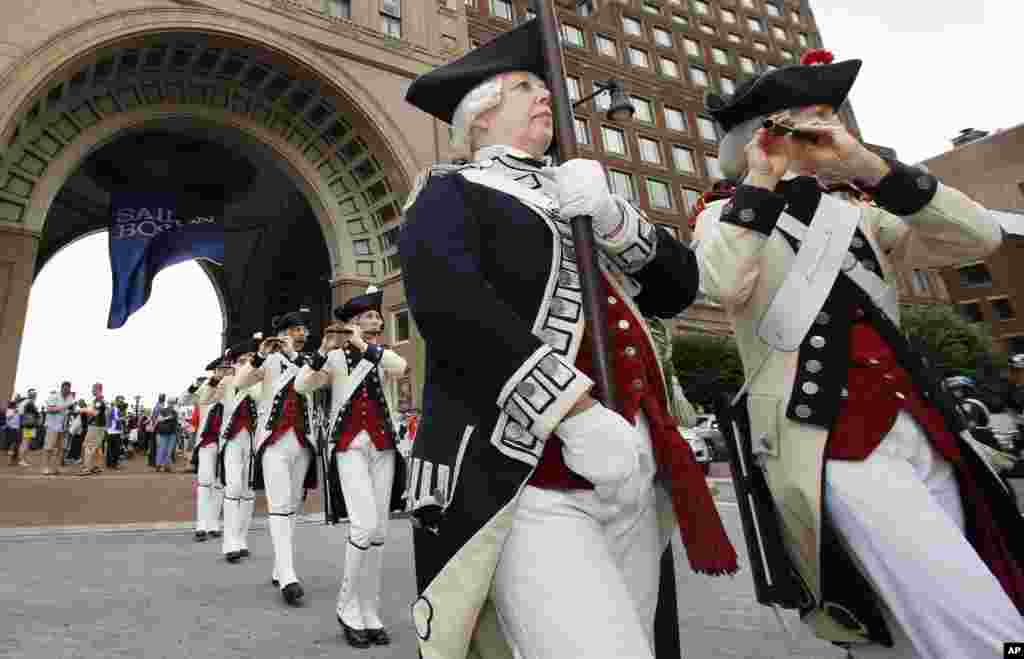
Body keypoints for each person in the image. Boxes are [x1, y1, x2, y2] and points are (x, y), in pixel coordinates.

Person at [400, 20, 735, 659]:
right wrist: (575, 414)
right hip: (525, 470)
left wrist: (610, 216)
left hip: (634, 460)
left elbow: (678, 289)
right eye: (525, 85)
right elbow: (456, 313)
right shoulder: (450, 194)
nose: (545, 95)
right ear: (478, 115)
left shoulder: (578, 191)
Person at [692, 48, 1024, 656]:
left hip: (923, 429)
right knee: (972, 617)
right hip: (828, 439)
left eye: (833, 115)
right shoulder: (725, 215)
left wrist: (869, 166)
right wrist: (761, 178)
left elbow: (979, 238)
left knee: (909, 624)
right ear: (769, 131)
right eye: (814, 115)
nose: (832, 124)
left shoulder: (860, 213)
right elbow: (720, 284)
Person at [295, 288, 409, 647]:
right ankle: (347, 608)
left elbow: (400, 368)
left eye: (375, 317)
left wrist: (363, 344)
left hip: (384, 446)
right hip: (348, 447)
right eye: (365, 318)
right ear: (351, 323)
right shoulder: (335, 358)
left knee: (379, 534)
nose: (374, 321)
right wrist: (324, 351)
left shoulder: (380, 353)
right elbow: (301, 386)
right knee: (363, 527)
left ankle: (370, 610)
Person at [234, 310, 317, 606]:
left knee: (293, 506)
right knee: (279, 506)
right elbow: (240, 381)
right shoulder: (267, 360)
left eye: (303, 329)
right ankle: (288, 574)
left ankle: (280, 567)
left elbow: (318, 385)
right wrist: (258, 355)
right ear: (283, 334)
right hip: (273, 443)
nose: (301, 333)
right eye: (295, 329)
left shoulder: (310, 363)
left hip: (302, 442)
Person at [216, 339, 262, 563]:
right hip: (232, 439)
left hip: (254, 440)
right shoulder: (227, 382)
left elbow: (260, 398)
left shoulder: (259, 380)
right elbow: (200, 398)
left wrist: (250, 376)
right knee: (233, 487)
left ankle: (241, 539)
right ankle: (229, 541)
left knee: (249, 490)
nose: (245, 364)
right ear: (233, 363)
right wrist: (215, 379)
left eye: (248, 360)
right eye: (241, 361)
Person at [194, 362, 229, 543]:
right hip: (207, 442)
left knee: (219, 484)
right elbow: (186, 398)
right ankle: (201, 524)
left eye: (226, 369)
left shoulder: (231, 386)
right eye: (220, 369)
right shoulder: (206, 387)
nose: (223, 372)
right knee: (204, 481)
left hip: (226, 443)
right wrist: (212, 381)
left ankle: (213, 522)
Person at [41, 382, 75, 475]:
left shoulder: (70, 398)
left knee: (61, 448)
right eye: (65, 388)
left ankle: (56, 468)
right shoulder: (54, 396)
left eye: (68, 389)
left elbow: (71, 411)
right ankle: (46, 467)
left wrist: (72, 410)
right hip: (52, 426)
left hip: (63, 427)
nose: (67, 390)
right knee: (49, 447)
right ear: (62, 388)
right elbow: (50, 410)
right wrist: (64, 407)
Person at [78, 383, 108, 476]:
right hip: (98, 426)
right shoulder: (98, 400)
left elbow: (95, 413)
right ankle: (97, 467)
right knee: (98, 447)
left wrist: (83, 410)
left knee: (88, 446)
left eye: (93, 389)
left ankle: (87, 468)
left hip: (96, 426)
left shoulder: (99, 401)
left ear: (98, 389)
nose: (92, 390)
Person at [13, 389, 40, 466]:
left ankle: (22, 459)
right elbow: (21, 413)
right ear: (31, 395)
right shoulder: (29, 402)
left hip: (28, 424)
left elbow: (19, 412)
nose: (35, 395)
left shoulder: (26, 402)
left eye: (35, 394)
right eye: (34, 394)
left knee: (26, 442)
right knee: (25, 442)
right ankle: (21, 460)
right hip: (28, 425)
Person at [154, 402, 179, 473]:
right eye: (171, 403)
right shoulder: (163, 411)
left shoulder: (175, 412)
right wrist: (168, 417)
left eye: (173, 403)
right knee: (163, 449)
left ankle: (166, 466)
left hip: (171, 433)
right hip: (164, 433)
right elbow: (159, 420)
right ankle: (159, 465)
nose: (172, 405)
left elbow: (176, 423)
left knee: (168, 450)